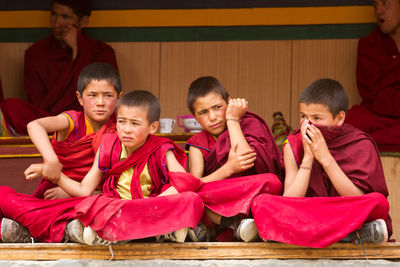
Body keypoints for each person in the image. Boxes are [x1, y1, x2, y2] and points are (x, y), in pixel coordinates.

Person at [0, 90, 203, 245]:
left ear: (153, 127)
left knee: (191, 199)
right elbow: (83, 191)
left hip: (149, 206)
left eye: (134, 123)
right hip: (115, 208)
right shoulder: (109, 144)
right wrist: (54, 175)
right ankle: (155, 231)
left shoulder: (161, 147)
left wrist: (154, 203)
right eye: (122, 122)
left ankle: (109, 233)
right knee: (93, 203)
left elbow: (184, 180)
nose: (126, 129)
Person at [251, 78, 391, 248]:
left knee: (378, 202)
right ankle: (351, 234)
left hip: (342, 210)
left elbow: (357, 197)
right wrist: (308, 159)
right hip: (310, 211)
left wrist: (325, 158)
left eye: (317, 118)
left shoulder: (360, 144)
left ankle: (295, 235)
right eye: (303, 116)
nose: (307, 124)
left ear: (339, 118)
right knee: (262, 203)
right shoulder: (293, 143)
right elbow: (289, 199)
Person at [185, 76, 284, 242]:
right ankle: (233, 223)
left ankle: (233, 224)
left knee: (273, 182)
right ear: (195, 117)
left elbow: (246, 159)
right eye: (203, 112)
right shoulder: (197, 144)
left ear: (229, 104)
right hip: (220, 197)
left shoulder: (249, 124)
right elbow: (194, 186)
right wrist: (228, 169)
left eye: (218, 107)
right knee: (191, 196)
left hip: (251, 193)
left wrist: (233, 120)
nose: (213, 117)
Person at [0, 0, 118, 136]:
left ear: (83, 22)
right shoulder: (36, 52)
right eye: (54, 15)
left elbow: (105, 96)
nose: (57, 23)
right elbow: (39, 103)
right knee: (10, 106)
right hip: (49, 119)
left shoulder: (101, 52)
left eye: (65, 17)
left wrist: (78, 53)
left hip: (86, 120)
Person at [30, 62, 121, 199]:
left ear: (119, 98)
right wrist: (51, 160)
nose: (100, 102)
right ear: (80, 98)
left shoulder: (116, 133)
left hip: (91, 195)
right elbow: (34, 125)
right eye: (92, 95)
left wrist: (73, 193)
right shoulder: (72, 121)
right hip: (55, 191)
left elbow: (114, 183)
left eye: (108, 95)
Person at [345, 0, 400, 152]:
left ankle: (367, 141)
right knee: (342, 126)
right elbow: (373, 98)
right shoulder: (368, 44)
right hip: (378, 116)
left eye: (384, 3)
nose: (379, 11)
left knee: (358, 139)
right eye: (375, 5)